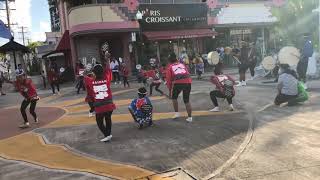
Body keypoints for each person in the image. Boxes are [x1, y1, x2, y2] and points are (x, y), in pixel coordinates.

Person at [85, 55, 116, 142]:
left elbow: (85, 76)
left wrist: (87, 70)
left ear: (94, 73)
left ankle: (107, 134)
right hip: (109, 105)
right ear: (103, 72)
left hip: (99, 106)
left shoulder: (90, 81)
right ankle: (108, 134)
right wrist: (107, 59)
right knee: (108, 118)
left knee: (99, 122)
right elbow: (108, 68)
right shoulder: (107, 78)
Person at [166, 52, 193, 122]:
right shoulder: (182, 64)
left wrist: (169, 91)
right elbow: (187, 73)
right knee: (186, 100)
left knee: (174, 98)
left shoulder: (170, 67)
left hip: (178, 82)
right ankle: (190, 117)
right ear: (176, 58)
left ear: (169, 60)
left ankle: (177, 113)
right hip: (188, 82)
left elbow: (169, 80)